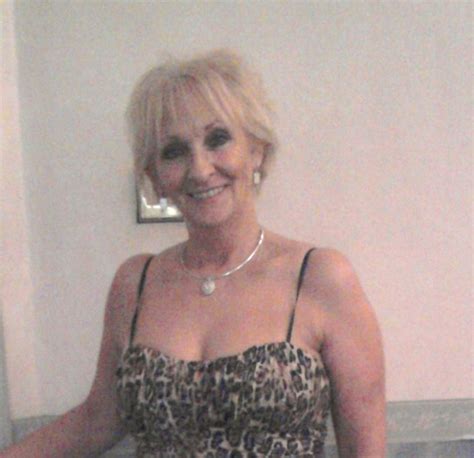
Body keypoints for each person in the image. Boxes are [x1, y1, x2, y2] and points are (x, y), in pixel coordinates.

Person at [2, 49, 385, 457]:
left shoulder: (320, 277)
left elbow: (365, 449)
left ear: (256, 150)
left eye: (217, 139)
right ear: (155, 176)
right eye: (174, 151)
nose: (200, 169)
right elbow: (97, 420)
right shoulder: (136, 283)